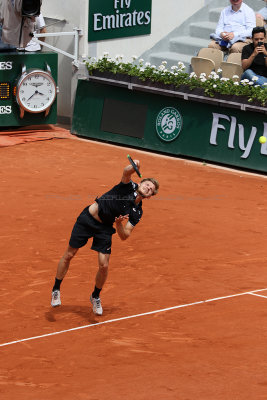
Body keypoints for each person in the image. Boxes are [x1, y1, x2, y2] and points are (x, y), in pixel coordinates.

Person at [51, 160, 159, 316]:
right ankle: (56, 288)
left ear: (150, 196)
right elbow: (126, 171)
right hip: (88, 219)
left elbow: (124, 236)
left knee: (104, 266)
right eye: (147, 184)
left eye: (151, 189)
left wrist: (118, 224)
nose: (148, 188)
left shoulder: (137, 212)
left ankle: (95, 296)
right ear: (141, 182)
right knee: (69, 254)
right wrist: (135, 165)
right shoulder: (127, 186)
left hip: (106, 228)